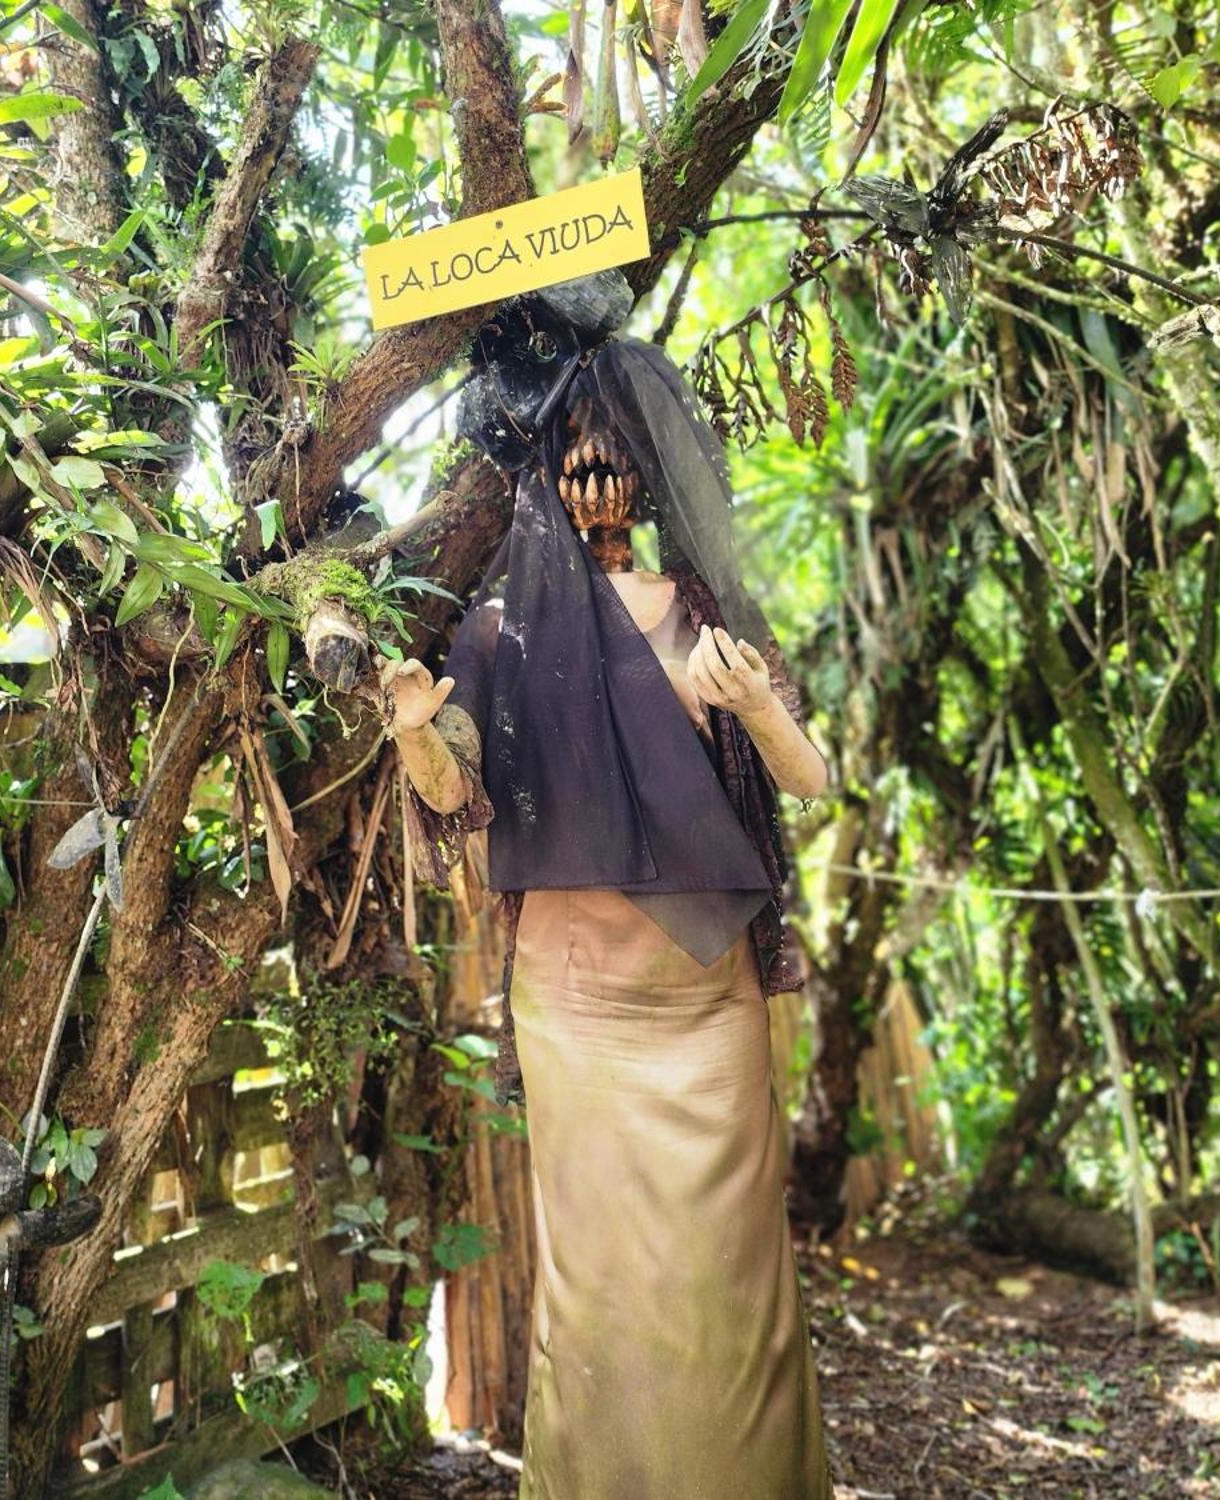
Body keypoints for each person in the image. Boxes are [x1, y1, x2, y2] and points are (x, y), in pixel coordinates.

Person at [380, 337, 834, 1498]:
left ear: (645, 469)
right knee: (594, 1279)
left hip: (706, 1005)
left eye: (614, 452)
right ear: (544, 468)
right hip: (574, 1007)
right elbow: (458, 788)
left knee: (726, 1279)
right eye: (574, 452)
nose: (593, 474)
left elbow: (809, 777)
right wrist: (417, 731)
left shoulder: (703, 615)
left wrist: (752, 709)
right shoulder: (498, 631)